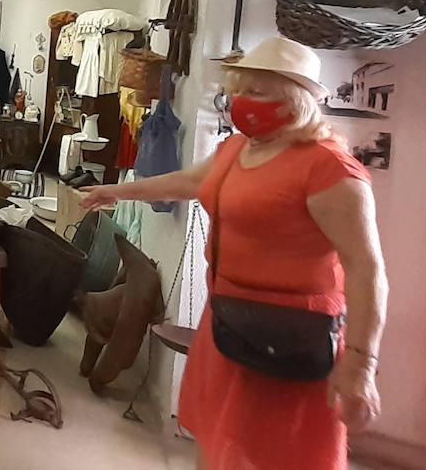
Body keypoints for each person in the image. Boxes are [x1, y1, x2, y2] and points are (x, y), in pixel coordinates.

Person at [81, 37, 387, 470]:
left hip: (290, 334)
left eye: (258, 92)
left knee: (275, 455)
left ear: (295, 101)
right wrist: (117, 190)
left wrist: (360, 365)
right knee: (217, 439)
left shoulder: (329, 168)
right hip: (227, 319)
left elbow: (367, 268)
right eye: (240, 90)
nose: (242, 101)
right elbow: (189, 183)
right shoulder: (236, 149)